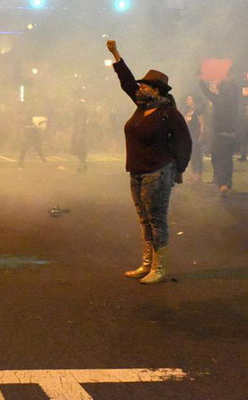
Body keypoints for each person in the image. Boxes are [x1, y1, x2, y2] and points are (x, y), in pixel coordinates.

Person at [107, 40, 192, 285]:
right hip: (137, 171)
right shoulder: (141, 107)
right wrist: (115, 54)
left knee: (157, 219)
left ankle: (159, 266)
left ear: (156, 90)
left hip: (158, 171)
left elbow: (184, 142)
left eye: (144, 85)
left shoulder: (168, 113)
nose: (139, 87)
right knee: (144, 219)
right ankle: (146, 265)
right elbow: (127, 82)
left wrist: (179, 169)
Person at [199, 72, 241, 195]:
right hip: (225, 134)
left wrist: (202, 81)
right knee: (223, 159)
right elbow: (208, 92)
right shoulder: (227, 100)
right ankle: (224, 183)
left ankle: (224, 183)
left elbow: (207, 92)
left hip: (223, 134)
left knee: (221, 159)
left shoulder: (221, 99)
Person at [184, 95, 207, 184]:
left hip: (196, 133)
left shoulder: (198, 110)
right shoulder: (189, 110)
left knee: (197, 153)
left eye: (190, 99)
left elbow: (202, 123)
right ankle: (194, 173)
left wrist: (202, 134)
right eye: (188, 98)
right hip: (190, 133)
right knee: (192, 154)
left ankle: (199, 174)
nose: (188, 100)